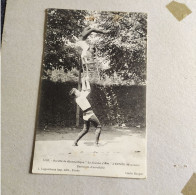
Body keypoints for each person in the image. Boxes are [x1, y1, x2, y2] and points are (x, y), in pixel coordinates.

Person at [69, 75, 102, 146]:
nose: (78, 91)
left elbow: (83, 90)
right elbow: (88, 90)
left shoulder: (77, 98)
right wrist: (87, 81)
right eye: (77, 91)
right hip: (90, 113)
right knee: (99, 127)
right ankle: (96, 143)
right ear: (76, 94)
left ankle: (75, 142)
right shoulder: (81, 97)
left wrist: (83, 81)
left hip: (85, 115)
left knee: (85, 129)